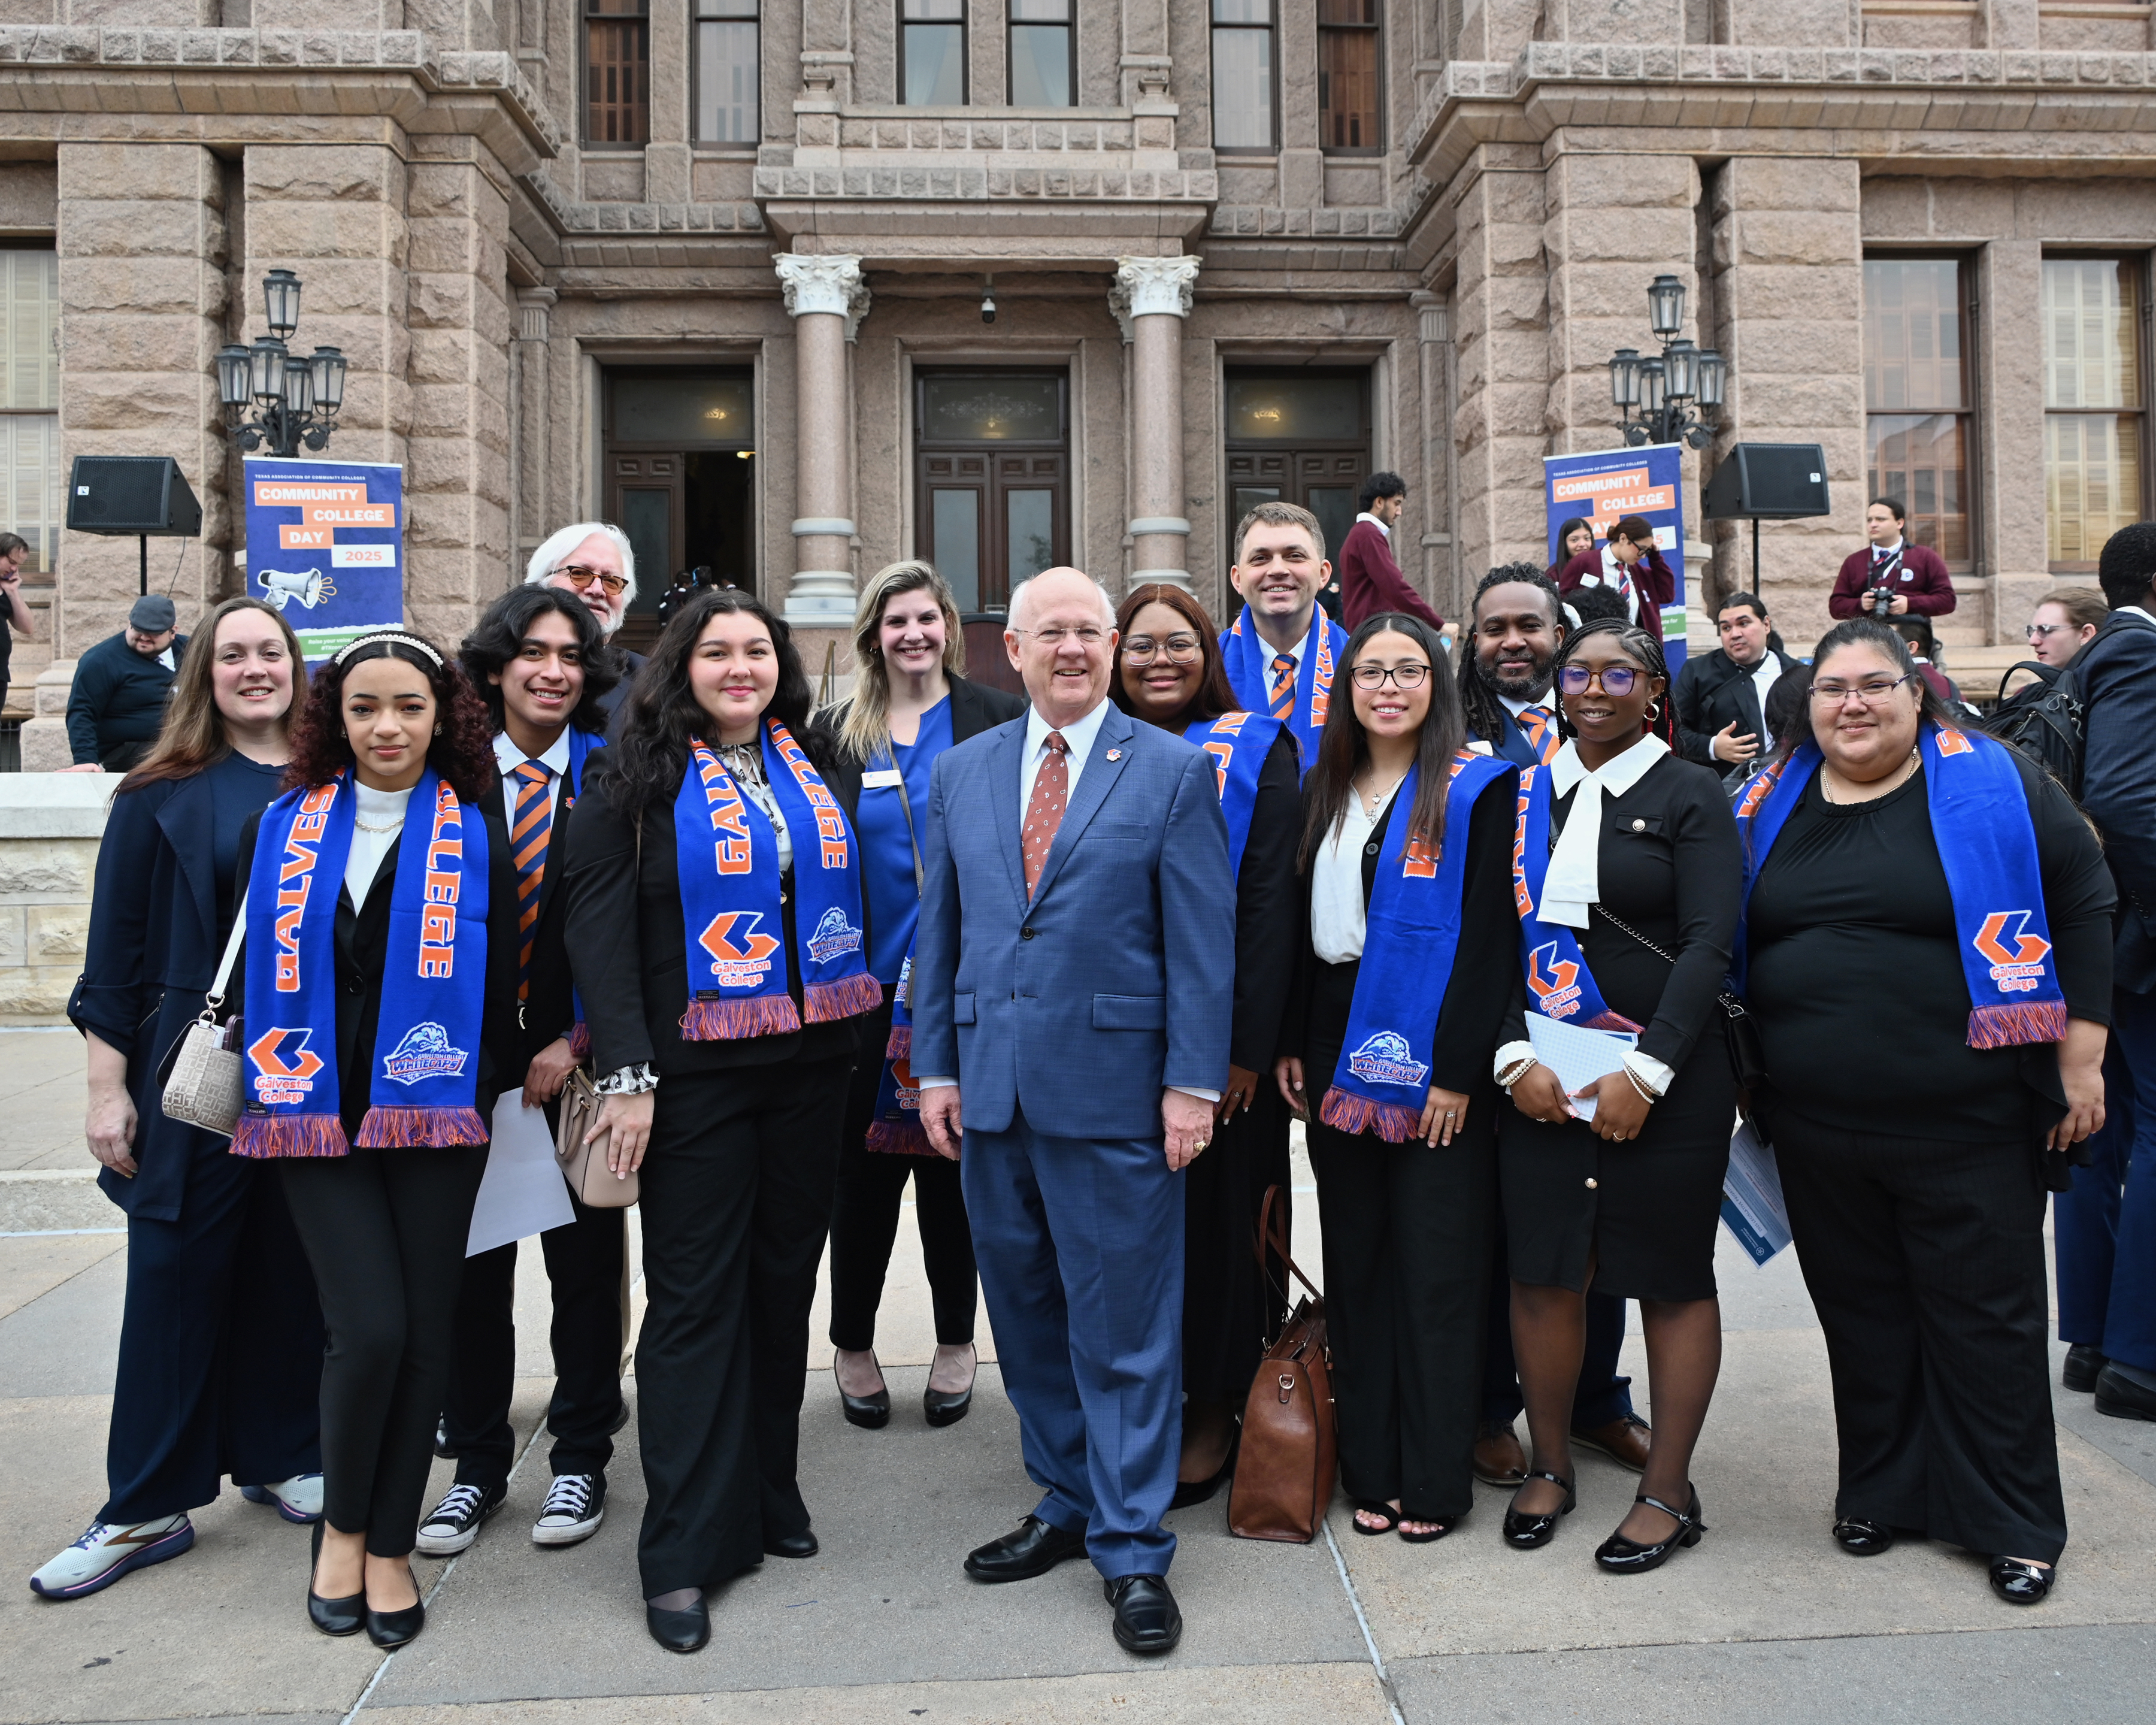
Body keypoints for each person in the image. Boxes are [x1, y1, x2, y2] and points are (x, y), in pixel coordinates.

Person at [1736, 618, 2112, 1604]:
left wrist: (2084, 1054)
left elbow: (2083, 895)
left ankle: (2013, 1519)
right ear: (1806, 705)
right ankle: (1883, 1490)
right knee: (1862, 1317)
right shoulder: (1768, 800)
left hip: (1968, 1120)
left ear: (1918, 693)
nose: (1851, 704)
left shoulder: (1994, 780)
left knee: (1983, 1321)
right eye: (1831, 689)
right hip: (1816, 1123)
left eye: (1873, 685)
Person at [912, 566, 1233, 1659]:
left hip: (1116, 1096)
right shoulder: (961, 771)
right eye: (1050, 633)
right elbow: (942, 935)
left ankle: (1134, 1544)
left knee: (1127, 1323)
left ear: (1109, 648)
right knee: (1028, 1310)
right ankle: (1064, 1494)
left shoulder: (1177, 771)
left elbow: (1202, 946)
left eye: (1089, 632)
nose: (1072, 649)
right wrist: (937, 1072)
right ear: (1014, 650)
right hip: (992, 1092)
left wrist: (1191, 1086)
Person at [561, 588, 878, 1655]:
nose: (739, 668)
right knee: (695, 1302)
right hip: (688, 1078)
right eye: (717, 652)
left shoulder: (815, 762)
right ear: (680, 667)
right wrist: (631, 1074)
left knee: (783, 1284)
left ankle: (767, 1492)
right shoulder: (630, 775)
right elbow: (597, 935)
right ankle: (683, 1546)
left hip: (808, 1065)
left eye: (757, 651)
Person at [225, 629, 520, 1650]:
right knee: (371, 1331)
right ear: (333, 718)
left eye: (409, 707)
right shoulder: (287, 824)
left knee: (427, 1333)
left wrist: (473, 1084)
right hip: (309, 1110)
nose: (387, 727)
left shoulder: (480, 822)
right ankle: (342, 1533)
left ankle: (390, 1546)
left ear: (445, 716)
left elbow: (515, 976)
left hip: (435, 1113)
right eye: (364, 708)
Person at [32, 599, 323, 1602]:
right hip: (193, 1068)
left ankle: (284, 1454)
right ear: (203, 672)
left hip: (308, 1074)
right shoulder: (160, 792)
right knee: (173, 1276)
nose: (254, 668)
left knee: (289, 1272)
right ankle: (144, 1505)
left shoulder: (337, 784)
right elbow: (111, 959)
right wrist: (107, 1092)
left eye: (270, 652)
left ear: (297, 667)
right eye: (233, 654)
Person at [1497, 616, 1742, 1572]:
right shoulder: (1520, 798)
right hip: (1546, 1084)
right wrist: (1514, 1060)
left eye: (1617, 674)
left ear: (1653, 691)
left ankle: (1667, 1489)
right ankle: (1551, 1465)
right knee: (1547, 1271)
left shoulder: (1692, 791)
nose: (1593, 689)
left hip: (1665, 1082)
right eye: (1577, 673)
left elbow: (1707, 943)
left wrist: (1647, 1070)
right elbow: (1486, 948)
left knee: (1672, 1276)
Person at [1272, 613, 1513, 1541]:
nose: (1388, 687)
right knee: (1361, 1261)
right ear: (1346, 687)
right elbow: (1291, 929)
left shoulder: (1477, 789)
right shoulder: (1321, 785)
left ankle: (1435, 1477)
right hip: (1337, 1041)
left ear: (1435, 684)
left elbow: (1493, 942)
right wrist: (1294, 1038)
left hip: (1435, 1049)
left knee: (1439, 1268)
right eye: (1370, 671)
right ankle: (1369, 1468)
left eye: (1409, 671)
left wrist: (1458, 1072)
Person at [418, 588, 627, 1558]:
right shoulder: (446, 780)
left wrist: (578, 1038)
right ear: (496, 667)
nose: (552, 670)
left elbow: (637, 928)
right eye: (532, 652)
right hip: (469, 1071)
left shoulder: (615, 774)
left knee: (586, 1267)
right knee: (474, 1274)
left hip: (576, 1066)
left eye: (570, 655)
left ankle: (582, 1453)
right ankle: (476, 1464)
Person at [811, 559, 1024, 1432]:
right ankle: (853, 1342)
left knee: (954, 1173)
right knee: (857, 1179)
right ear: (873, 635)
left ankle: (952, 1341)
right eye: (895, 622)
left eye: (927, 619)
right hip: (860, 991)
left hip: (966, 987)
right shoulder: (833, 732)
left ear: (948, 628)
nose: (913, 635)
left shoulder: (998, 720)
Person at [1455, 565, 1652, 1487]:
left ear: (1560, 635)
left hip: (1593, 1016)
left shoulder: (1607, 736)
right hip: (1487, 1015)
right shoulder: (1449, 740)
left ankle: (1593, 1403)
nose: (1511, 643)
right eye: (1493, 628)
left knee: (1595, 1220)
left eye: (1528, 626)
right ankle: (1494, 1402)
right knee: (1498, 1230)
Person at [1109, 582, 1300, 1504]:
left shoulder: (1258, 748)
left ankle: (1221, 1396)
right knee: (1131, 1229)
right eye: (1140, 645)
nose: (1159, 661)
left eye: (1178, 643)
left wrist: (1242, 1053)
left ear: (1209, 652)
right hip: (1116, 1035)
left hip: (1223, 1049)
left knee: (1225, 1224)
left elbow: (1269, 910)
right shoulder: (1087, 748)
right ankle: (1137, 1392)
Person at [2060, 523, 2156, 1424]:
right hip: (2136, 939)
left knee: (2102, 1129)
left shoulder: (2103, 654)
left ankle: (2096, 1341)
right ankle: (2135, 1355)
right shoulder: (2137, 654)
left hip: (2118, 941)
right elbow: (2125, 802)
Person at [1218, 501, 1350, 772]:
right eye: (1260, 558)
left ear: (1324, 573)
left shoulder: (1359, 663)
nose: (1278, 569)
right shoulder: (1208, 667)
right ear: (1237, 579)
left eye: (1295, 556)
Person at [1674, 592, 1801, 774]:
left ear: (1766, 625)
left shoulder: (1794, 672)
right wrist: (1712, 747)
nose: (1735, 634)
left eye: (1743, 624)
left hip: (1788, 779)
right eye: (1726, 628)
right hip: (1723, 787)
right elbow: (1673, 728)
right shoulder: (1697, 671)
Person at [526, 521, 645, 710]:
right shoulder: (482, 672)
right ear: (541, 583)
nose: (598, 590)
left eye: (612, 581)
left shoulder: (653, 683)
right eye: (580, 574)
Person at [63, 594, 187, 773]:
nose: (144, 637)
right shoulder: (101, 660)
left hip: (186, 740)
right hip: (128, 750)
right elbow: (82, 710)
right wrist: (85, 759)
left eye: (154, 632)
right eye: (138, 629)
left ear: (173, 631)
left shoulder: (192, 650)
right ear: (128, 623)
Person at [1339, 472, 1446, 635]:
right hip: (1374, 633)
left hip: (1367, 632)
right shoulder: (1368, 535)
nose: (1399, 512)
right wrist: (1439, 624)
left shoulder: (1360, 534)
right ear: (1380, 502)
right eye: (1397, 503)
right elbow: (1395, 587)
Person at [1830, 497, 1956, 620]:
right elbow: (1836, 606)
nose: (1873, 525)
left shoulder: (1925, 556)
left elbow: (1948, 600)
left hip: (1909, 633)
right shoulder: (1854, 561)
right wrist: (1860, 605)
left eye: (1880, 519)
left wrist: (1910, 604)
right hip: (1868, 635)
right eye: (1869, 520)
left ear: (1900, 523)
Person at [1555, 515, 1676, 630]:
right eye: (1641, 549)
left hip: (1633, 644)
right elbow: (1563, 603)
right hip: (1594, 643)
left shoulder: (1638, 572)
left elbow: (1666, 595)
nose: (1643, 556)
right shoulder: (1583, 562)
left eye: (1647, 551)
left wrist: (1655, 558)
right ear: (1623, 539)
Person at [0, 529, 37, 719]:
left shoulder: (5, 590)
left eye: (19, 566)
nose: (14, 569)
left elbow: (27, 628)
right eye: (12, 562)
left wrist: (13, 592)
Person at [2025, 588, 2107, 670]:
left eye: (2045, 630)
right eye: (2033, 630)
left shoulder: (2112, 680)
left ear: (2086, 634)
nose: (2032, 641)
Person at [1544, 518, 1596, 586]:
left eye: (1587, 538)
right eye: (1574, 540)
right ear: (1564, 543)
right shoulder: (1552, 575)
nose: (1582, 544)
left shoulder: (1601, 568)